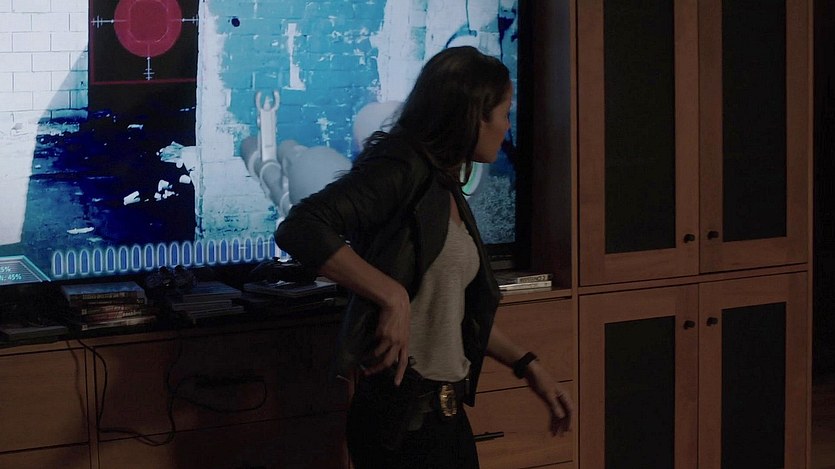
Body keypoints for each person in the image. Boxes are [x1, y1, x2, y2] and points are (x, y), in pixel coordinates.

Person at [274, 45, 573, 469]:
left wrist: (528, 365)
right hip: (402, 425)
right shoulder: (400, 167)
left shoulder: (443, 183)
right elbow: (300, 227)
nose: (508, 126)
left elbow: (451, 315)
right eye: (504, 113)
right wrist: (391, 295)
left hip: (446, 417)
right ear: (473, 115)